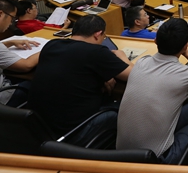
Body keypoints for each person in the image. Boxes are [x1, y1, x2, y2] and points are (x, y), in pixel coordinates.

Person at [117, 18, 188, 163]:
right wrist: (187, 53)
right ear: (185, 46)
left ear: (155, 41)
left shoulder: (142, 62)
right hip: (155, 159)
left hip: (120, 154)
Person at [29, 15, 133, 145]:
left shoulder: (52, 44)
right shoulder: (97, 51)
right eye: (103, 37)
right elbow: (135, 75)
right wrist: (123, 57)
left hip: (39, 128)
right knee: (124, 108)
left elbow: (72, 69)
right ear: (98, 34)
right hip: (72, 133)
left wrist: (101, 75)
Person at [0, 0, 41, 107]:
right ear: (0, 14)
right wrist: (48, 47)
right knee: (44, 83)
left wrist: (10, 43)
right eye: (12, 18)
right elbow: (26, 65)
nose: (11, 23)